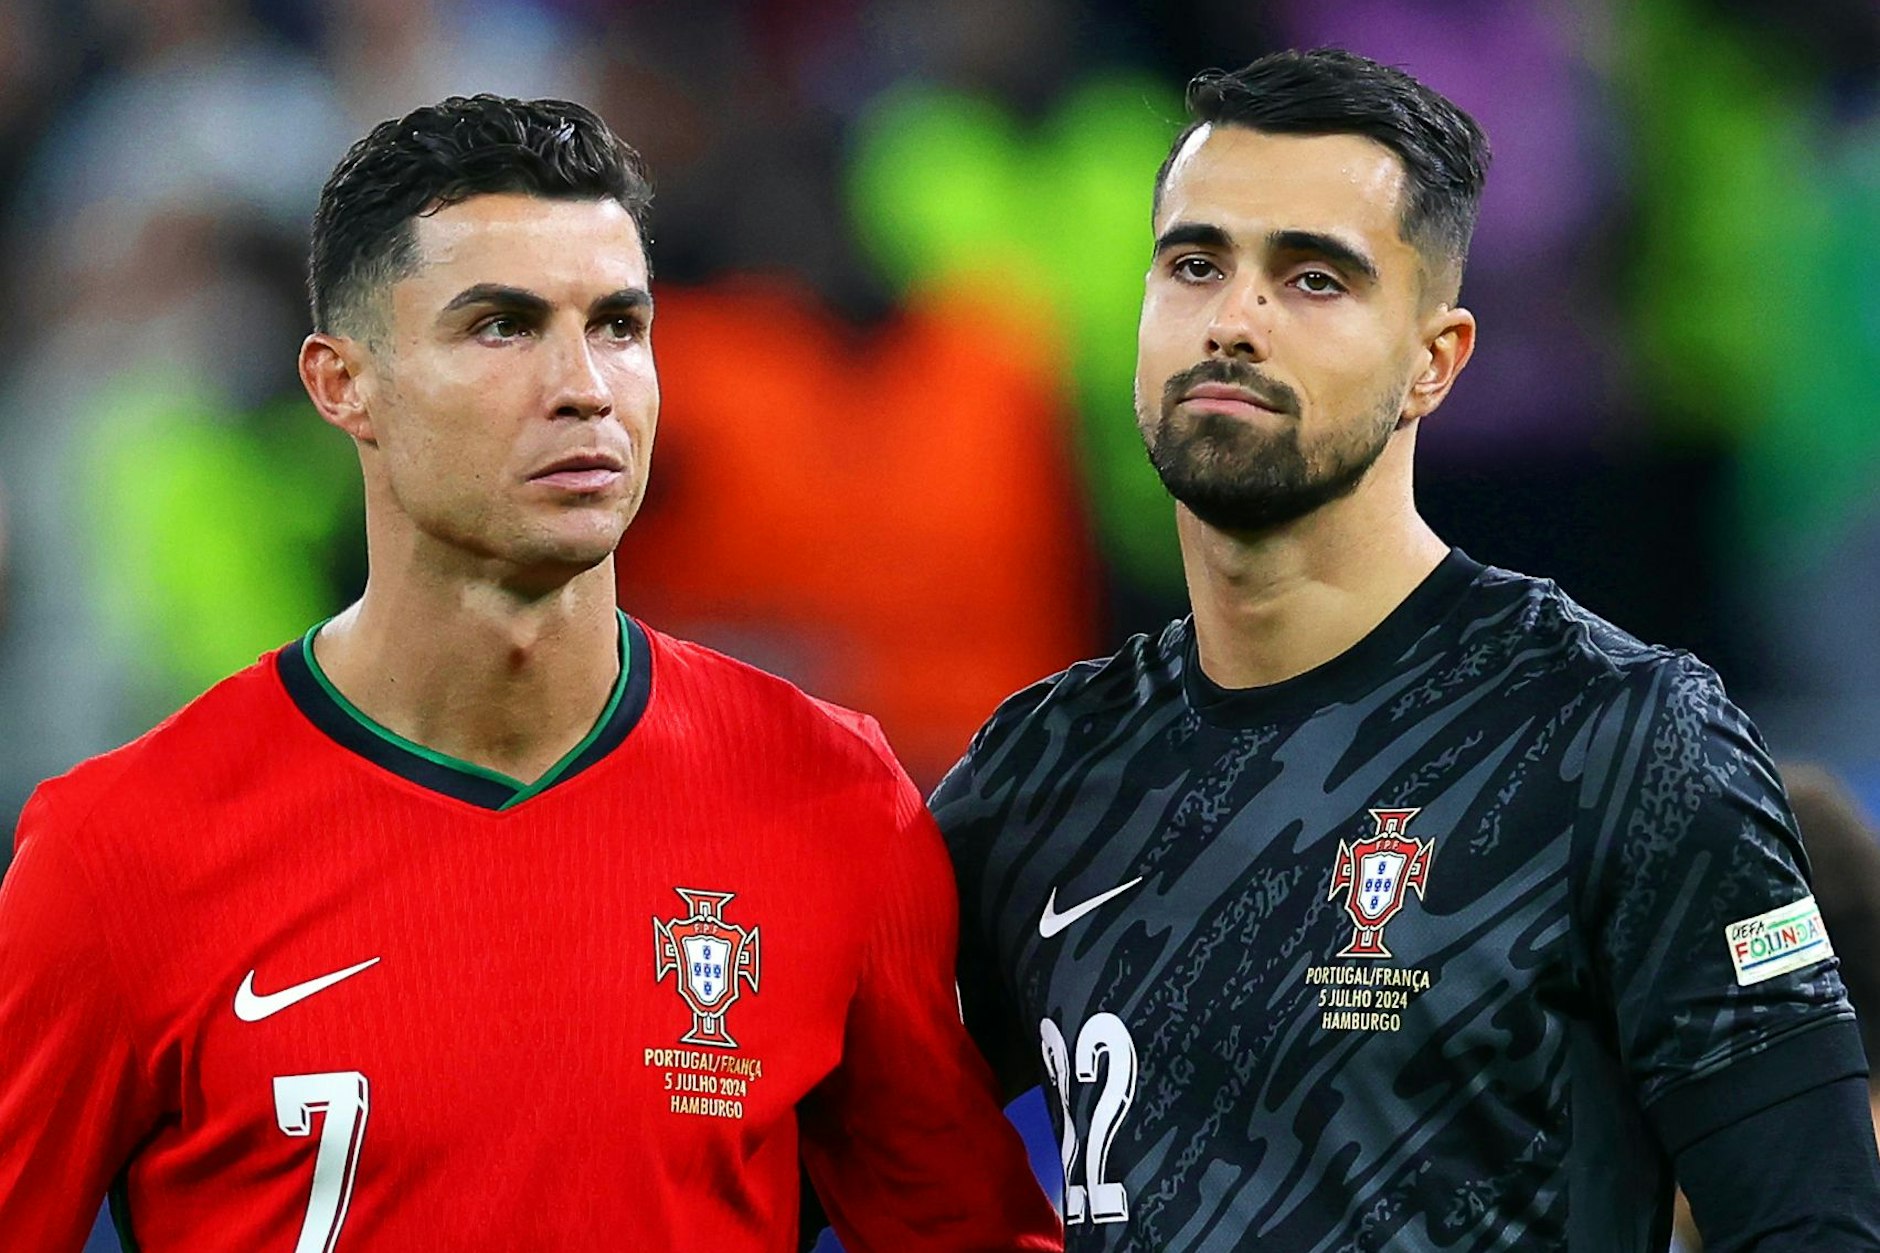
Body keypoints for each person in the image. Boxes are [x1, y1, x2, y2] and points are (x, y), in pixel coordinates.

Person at [0, 95, 1060, 1252]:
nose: (584, 385)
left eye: (617, 325)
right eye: (501, 326)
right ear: (342, 383)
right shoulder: (119, 852)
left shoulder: (833, 798)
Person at [933, 49, 1880, 1251]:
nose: (1232, 320)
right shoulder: (1043, 770)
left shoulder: (1620, 743)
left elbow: (1811, 1223)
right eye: (1194, 263)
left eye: (1312, 278)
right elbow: (792, 1138)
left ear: (1433, 360)